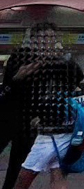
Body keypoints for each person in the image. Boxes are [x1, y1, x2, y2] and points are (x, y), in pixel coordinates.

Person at [12, 24, 84, 189]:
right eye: (43, 38)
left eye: (51, 38)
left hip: (55, 128)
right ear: (34, 41)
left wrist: (58, 59)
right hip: (32, 124)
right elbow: (15, 86)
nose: (47, 42)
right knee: (53, 171)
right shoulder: (24, 60)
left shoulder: (63, 61)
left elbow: (77, 77)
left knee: (27, 175)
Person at [0, 45, 42, 189]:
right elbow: (3, 96)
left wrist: (39, 116)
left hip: (27, 123)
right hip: (5, 119)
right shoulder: (11, 79)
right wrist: (16, 79)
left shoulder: (40, 79)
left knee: (17, 164)